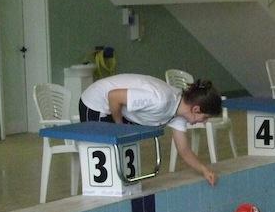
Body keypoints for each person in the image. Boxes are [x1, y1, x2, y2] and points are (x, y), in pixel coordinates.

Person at [79, 74, 222, 186]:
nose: (204, 122)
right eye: (205, 117)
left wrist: (204, 170)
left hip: (118, 108)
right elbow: (114, 96)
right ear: (196, 109)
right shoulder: (159, 100)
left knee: (120, 155)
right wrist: (119, 127)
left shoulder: (178, 112)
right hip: (97, 101)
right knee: (104, 153)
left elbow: (184, 150)